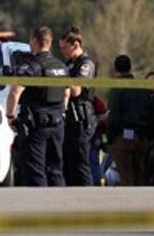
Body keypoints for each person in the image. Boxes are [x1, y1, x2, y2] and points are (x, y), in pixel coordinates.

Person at [6, 26, 69, 187]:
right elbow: (66, 93)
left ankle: (40, 202)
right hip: (57, 124)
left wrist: (10, 116)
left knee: (35, 170)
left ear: (34, 41)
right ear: (50, 42)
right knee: (55, 169)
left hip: (36, 125)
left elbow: (15, 92)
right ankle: (59, 201)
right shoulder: (61, 66)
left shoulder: (31, 66)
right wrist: (62, 112)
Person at [105, 54, 154, 186]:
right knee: (140, 177)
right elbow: (150, 112)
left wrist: (110, 138)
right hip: (142, 138)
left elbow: (114, 117)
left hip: (123, 138)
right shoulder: (141, 87)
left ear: (115, 69)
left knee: (126, 177)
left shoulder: (117, 89)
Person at [59, 26, 98, 187]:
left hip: (82, 119)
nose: (62, 51)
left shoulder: (85, 64)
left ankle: (87, 196)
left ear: (75, 45)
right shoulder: (69, 64)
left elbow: (76, 90)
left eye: (64, 48)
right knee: (68, 164)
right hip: (70, 120)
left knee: (80, 164)